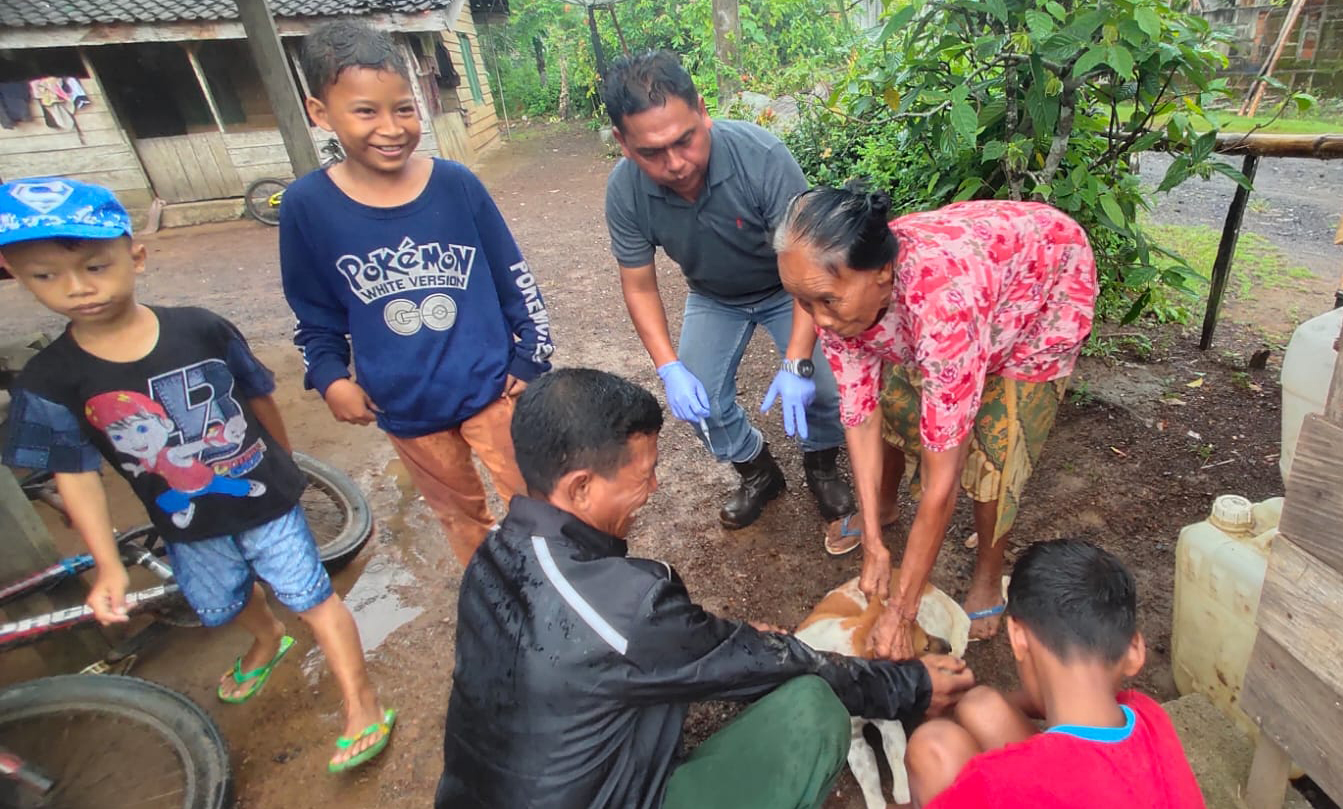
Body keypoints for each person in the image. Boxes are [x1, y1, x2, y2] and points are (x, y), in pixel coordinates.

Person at [434, 368, 977, 809]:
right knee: (813, 705)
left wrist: (719, 643)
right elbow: (771, 664)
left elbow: (627, 650)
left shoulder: (493, 556)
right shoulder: (627, 608)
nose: (654, 486)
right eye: (643, 474)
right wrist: (909, 684)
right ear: (579, 487)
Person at [0, 178, 394, 772]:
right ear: (13, 273)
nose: (77, 288)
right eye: (46, 275)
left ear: (135, 254)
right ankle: (266, 638)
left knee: (314, 598)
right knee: (221, 601)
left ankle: (361, 705)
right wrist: (108, 565)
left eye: (94, 265)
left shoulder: (199, 328)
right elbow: (75, 475)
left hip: (265, 500)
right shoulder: (52, 379)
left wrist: (287, 466)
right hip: (183, 521)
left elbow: (260, 396)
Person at [773, 182, 1097, 649]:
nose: (817, 320)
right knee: (900, 408)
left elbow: (941, 482)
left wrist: (902, 613)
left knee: (996, 444)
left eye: (825, 301)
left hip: (1043, 282)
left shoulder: (943, 308)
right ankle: (882, 513)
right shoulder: (842, 299)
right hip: (980, 262)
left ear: (882, 272)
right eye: (803, 302)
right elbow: (861, 418)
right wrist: (872, 545)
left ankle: (988, 570)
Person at [279, 21, 553, 566]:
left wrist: (532, 353)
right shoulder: (306, 206)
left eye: (404, 108)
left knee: (538, 502)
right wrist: (331, 377)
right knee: (461, 517)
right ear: (319, 112)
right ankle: (499, 597)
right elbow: (314, 313)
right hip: (405, 406)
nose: (391, 127)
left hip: (494, 388)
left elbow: (515, 276)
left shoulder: (456, 185)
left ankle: (562, 585)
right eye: (366, 111)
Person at [602, 50, 859, 549]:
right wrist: (668, 367)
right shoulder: (625, 192)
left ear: (702, 111)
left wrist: (798, 362)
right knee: (698, 401)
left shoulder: (761, 156)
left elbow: (811, 267)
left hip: (789, 290)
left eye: (685, 140)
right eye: (653, 152)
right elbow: (639, 284)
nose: (676, 164)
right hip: (714, 296)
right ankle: (758, 469)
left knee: (825, 386)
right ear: (623, 143)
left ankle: (822, 462)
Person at [904, 539, 1206, 808]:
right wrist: (967, 700)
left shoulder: (995, 783)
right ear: (1135, 649)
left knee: (930, 747)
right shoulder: (1150, 716)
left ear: (1018, 637)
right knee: (980, 703)